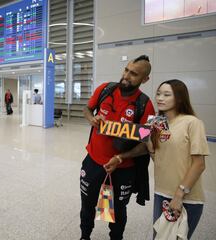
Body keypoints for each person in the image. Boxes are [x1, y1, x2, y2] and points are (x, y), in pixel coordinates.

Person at [104, 79, 209, 239]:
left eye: (167, 95)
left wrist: (179, 195)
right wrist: (145, 142)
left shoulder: (192, 123)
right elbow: (157, 158)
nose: (160, 98)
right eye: (158, 94)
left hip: (186, 196)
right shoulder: (156, 122)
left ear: (179, 98)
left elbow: (199, 164)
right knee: (159, 236)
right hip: (162, 192)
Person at [80, 55, 155, 240]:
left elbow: (146, 145)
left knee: (116, 211)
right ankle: (84, 236)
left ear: (144, 79)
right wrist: (92, 119)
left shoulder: (145, 105)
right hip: (93, 163)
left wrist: (120, 157)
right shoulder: (105, 89)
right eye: (126, 70)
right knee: (87, 204)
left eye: (134, 74)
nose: (126, 76)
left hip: (121, 170)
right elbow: (87, 109)